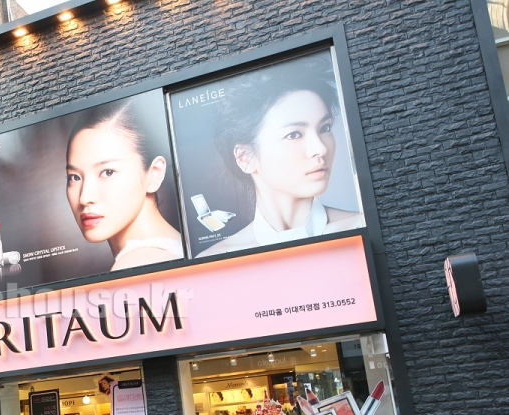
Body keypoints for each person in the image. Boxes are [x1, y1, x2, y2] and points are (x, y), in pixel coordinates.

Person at [198, 58, 362, 257]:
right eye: (294, 134)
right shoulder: (217, 260)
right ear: (245, 157)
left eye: (325, 128)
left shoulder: (359, 228)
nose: (320, 148)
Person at [66, 100, 184, 271]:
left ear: (154, 173)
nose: (84, 198)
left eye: (107, 172)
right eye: (74, 177)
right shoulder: (177, 247)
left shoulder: (135, 266)